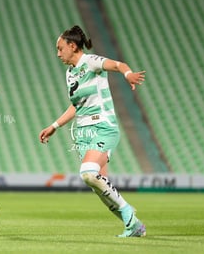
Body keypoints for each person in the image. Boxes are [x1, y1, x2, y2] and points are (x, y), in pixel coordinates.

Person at [38, 25, 146, 237]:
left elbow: (117, 64)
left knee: (88, 173)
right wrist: (54, 126)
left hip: (103, 126)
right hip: (84, 132)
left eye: (60, 48)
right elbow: (76, 106)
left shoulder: (91, 62)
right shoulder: (70, 74)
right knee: (99, 186)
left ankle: (129, 214)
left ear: (72, 45)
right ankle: (133, 226)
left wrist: (128, 74)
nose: (57, 53)